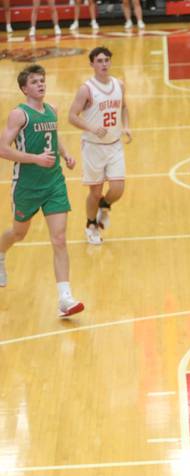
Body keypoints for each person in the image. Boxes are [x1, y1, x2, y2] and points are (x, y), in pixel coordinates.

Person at [0, 65, 83, 317]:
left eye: (42, 80)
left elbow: (53, 136)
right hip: (27, 185)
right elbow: (3, 149)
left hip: (54, 183)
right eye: (35, 82)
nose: (41, 84)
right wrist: (35, 159)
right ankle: (1, 252)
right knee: (19, 232)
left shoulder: (51, 110)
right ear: (24, 88)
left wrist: (65, 154)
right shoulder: (19, 115)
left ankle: (65, 298)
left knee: (59, 238)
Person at [68, 46, 131, 245]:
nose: (104, 64)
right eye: (99, 61)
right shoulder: (86, 89)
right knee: (95, 193)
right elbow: (72, 116)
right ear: (92, 64)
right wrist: (92, 127)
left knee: (118, 189)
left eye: (106, 60)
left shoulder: (119, 84)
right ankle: (91, 225)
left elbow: (124, 107)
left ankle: (105, 206)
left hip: (114, 145)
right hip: (93, 147)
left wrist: (126, 126)